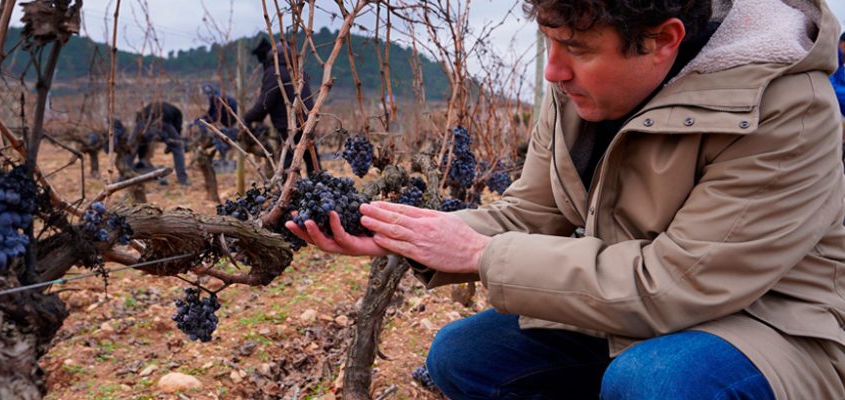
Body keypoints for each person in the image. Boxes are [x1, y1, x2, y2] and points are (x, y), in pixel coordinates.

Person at [287, 0, 845, 398]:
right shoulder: (578, 91)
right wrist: (405, 235)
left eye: (575, 47)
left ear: (662, 40)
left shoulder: (786, 108)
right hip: (631, 313)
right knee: (462, 357)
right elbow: (531, 212)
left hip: (771, 327)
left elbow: (678, 283)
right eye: (549, 43)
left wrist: (481, 255)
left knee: (657, 382)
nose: (553, 70)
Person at [243, 39, 322, 176]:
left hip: (290, 126)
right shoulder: (297, 70)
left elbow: (264, 104)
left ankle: (288, 195)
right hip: (307, 121)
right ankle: (321, 191)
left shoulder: (276, 72)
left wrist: (247, 118)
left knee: (288, 168)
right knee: (313, 164)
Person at [132, 101, 188, 185]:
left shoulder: (149, 107)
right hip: (162, 123)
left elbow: (138, 119)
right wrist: (172, 145)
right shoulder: (177, 113)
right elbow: (177, 130)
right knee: (178, 147)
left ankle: (123, 175)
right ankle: (182, 179)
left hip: (143, 123)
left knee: (131, 147)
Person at [191, 83, 239, 162]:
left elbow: (216, 116)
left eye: (207, 94)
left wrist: (204, 122)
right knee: (217, 137)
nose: (207, 96)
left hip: (230, 121)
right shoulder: (213, 98)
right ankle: (221, 153)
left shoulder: (218, 98)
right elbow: (210, 112)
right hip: (226, 121)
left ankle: (223, 156)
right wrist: (197, 120)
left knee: (218, 137)